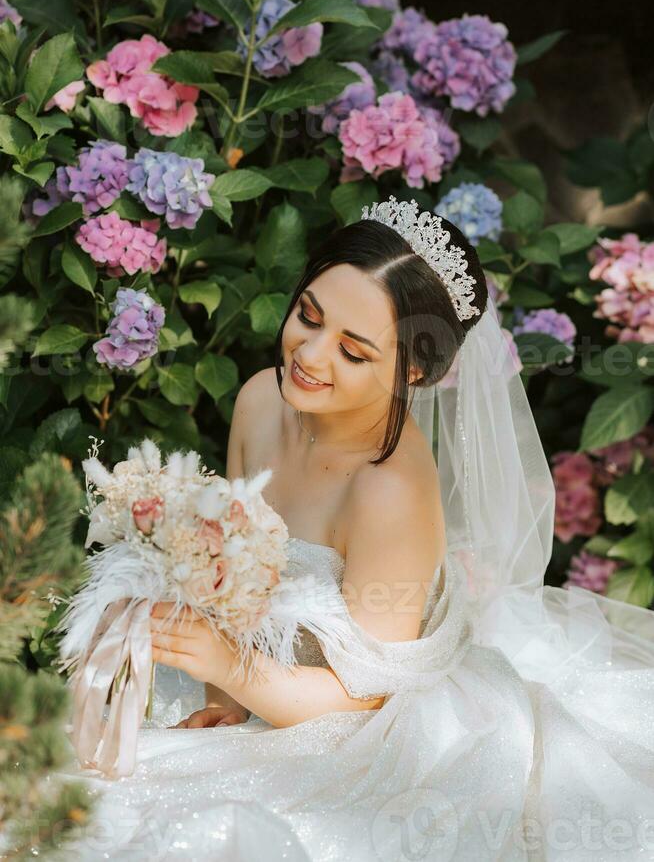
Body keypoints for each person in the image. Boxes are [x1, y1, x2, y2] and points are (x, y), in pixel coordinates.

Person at [54, 198, 654, 862]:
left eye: (354, 351)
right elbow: (222, 573)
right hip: (258, 685)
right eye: (308, 315)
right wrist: (218, 689)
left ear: (414, 371)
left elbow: (371, 703)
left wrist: (233, 667)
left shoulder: (387, 491)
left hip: (365, 730)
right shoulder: (262, 397)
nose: (309, 355)